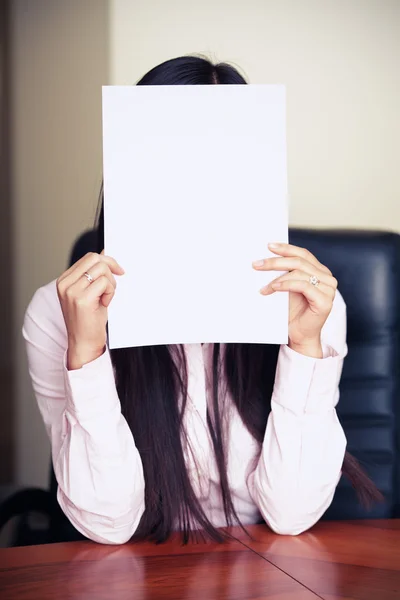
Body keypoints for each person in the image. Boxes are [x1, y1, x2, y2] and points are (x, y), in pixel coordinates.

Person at [23, 56, 381, 546]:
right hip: (138, 570)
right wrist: (87, 356)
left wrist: (302, 348)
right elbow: (109, 523)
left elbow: (292, 515)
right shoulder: (58, 313)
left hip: (267, 572)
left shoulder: (309, 307)